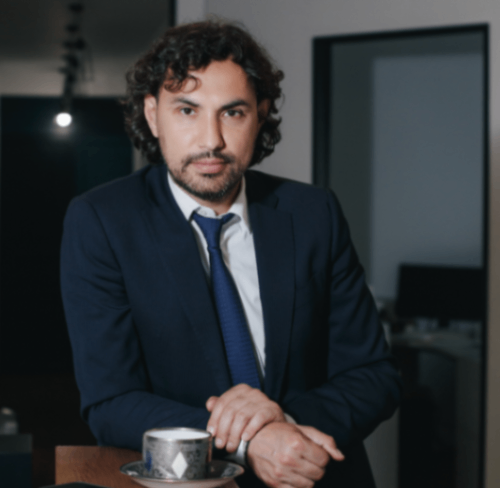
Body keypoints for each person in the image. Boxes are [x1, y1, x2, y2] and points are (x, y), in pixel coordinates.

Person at [60, 20, 401, 488]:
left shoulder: (313, 212)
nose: (211, 140)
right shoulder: (102, 221)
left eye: (233, 113)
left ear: (259, 115)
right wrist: (250, 440)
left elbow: (374, 375)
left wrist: (283, 422)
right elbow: (110, 401)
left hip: (315, 475)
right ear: (153, 115)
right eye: (187, 110)